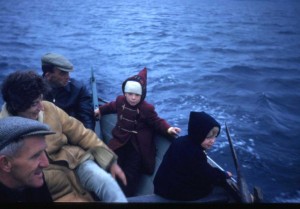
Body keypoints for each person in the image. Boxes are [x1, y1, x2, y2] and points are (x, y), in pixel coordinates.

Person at [0, 70, 127, 202]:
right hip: (48, 181)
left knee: (108, 183)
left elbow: (82, 134)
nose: (41, 107)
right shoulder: (4, 132)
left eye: (41, 100)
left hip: (76, 161)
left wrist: (110, 162)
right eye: (34, 104)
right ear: (17, 106)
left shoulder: (50, 108)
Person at [94, 67, 181, 197]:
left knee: (131, 171)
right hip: (120, 140)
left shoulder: (147, 108)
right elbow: (110, 106)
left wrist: (168, 129)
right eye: (130, 94)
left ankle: (127, 195)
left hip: (137, 146)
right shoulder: (120, 101)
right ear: (125, 93)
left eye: (137, 95)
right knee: (109, 160)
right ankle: (107, 188)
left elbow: (157, 121)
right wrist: (100, 110)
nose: (133, 98)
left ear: (142, 94)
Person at [153, 111, 232, 201]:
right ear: (198, 134)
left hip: (160, 186)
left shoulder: (180, 141)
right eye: (208, 137)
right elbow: (207, 174)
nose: (212, 141)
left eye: (215, 137)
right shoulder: (196, 153)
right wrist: (224, 175)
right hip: (173, 193)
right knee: (208, 188)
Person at [0, 116, 55, 202]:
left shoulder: (33, 178)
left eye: (43, 151)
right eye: (35, 156)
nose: (46, 163)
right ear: (5, 163)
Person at [41, 52, 95, 130]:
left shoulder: (79, 90)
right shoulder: (35, 90)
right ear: (48, 75)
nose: (68, 77)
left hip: (71, 134)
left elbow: (87, 120)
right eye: (62, 74)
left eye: (68, 73)